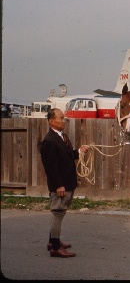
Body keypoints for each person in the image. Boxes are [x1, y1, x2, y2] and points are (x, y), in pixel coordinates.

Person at [39, 108, 90, 258]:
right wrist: (58, 185)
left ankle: (52, 241)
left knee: (59, 213)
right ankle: (55, 248)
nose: (64, 120)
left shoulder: (62, 136)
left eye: (64, 118)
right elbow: (50, 167)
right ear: (51, 121)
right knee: (58, 213)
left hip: (68, 182)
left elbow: (68, 156)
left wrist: (79, 151)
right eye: (61, 118)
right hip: (60, 185)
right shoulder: (49, 141)